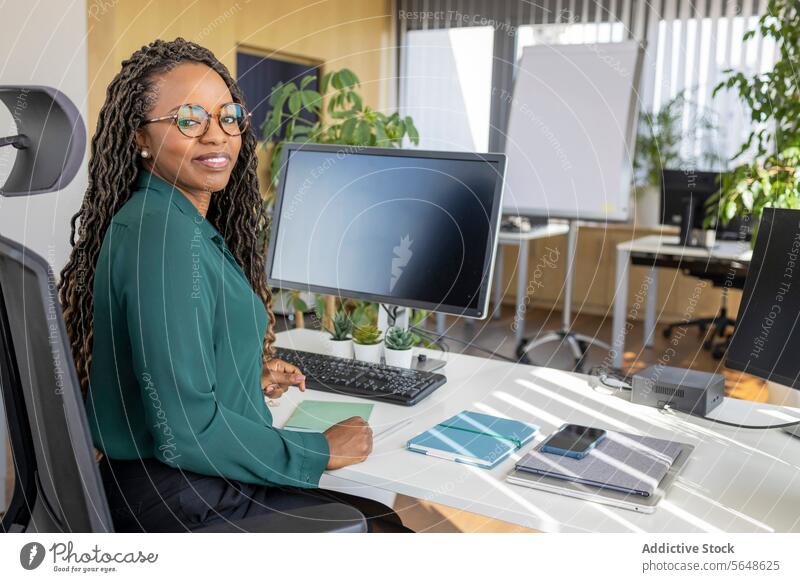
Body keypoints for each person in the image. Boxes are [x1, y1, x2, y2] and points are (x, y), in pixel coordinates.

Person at [58, 37, 410, 533]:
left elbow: (165, 370)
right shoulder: (164, 235)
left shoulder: (166, 218)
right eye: (188, 120)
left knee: (376, 516)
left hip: (179, 483)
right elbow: (184, 433)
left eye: (228, 116)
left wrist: (245, 373)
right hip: (187, 495)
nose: (216, 135)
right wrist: (320, 449)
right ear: (139, 136)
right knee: (381, 526)